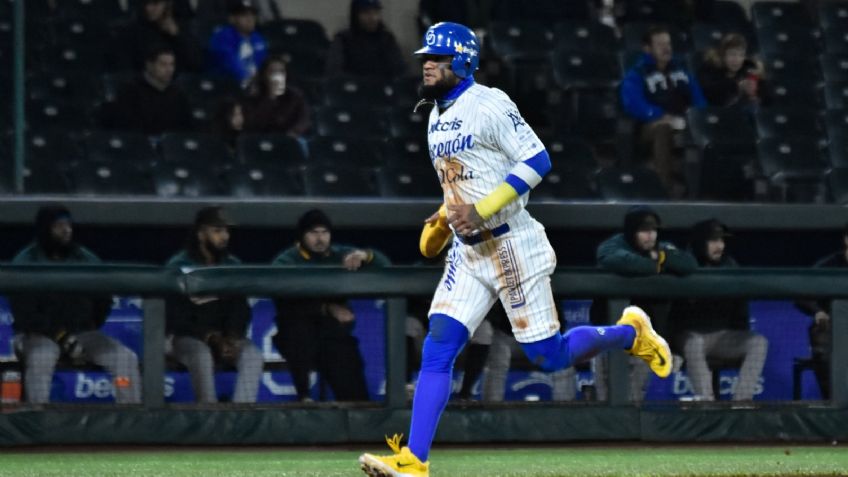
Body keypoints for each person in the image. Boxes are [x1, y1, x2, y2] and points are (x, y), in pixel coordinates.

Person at [358, 23, 673, 477]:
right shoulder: (434, 116)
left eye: (438, 57)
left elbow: (538, 159)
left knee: (549, 356)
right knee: (439, 346)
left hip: (510, 243)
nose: (426, 63)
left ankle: (630, 333)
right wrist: (445, 213)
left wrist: (481, 207)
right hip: (467, 252)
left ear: (463, 61)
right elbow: (467, 178)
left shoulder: (490, 102)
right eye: (426, 56)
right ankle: (414, 461)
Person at [9, 206, 141, 404]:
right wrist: (61, 336)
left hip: (82, 333)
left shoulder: (84, 258)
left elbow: (103, 298)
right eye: (59, 226)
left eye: (68, 225)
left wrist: (89, 326)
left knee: (124, 359)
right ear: (46, 229)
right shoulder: (27, 260)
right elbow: (25, 314)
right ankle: (38, 416)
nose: (66, 230)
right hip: (38, 335)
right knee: (41, 359)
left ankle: (129, 414)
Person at [271, 209, 390, 402]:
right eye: (313, 233)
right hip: (296, 334)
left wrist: (365, 255)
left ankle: (358, 413)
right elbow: (284, 301)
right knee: (300, 334)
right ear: (302, 236)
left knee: (346, 357)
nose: (320, 238)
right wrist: (326, 308)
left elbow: (384, 265)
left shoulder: (340, 254)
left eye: (324, 232)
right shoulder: (287, 260)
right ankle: (304, 398)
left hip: (332, 334)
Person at [592, 205, 697, 403]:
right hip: (608, 335)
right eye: (643, 231)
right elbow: (615, 259)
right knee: (604, 397)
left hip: (644, 337)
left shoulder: (662, 249)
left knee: (635, 398)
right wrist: (655, 265)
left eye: (653, 230)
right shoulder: (614, 245)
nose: (650, 236)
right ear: (632, 231)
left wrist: (663, 258)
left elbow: (689, 264)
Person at [165, 206, 263, 403]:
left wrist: (232, 337)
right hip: (186, 338)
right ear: (201, 234)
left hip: (226, 337)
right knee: (201, 355)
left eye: (226, 230)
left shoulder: (232, 264)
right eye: (217, 231)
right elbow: (175, 317)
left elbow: (241, 309)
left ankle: (239, 416)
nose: (224, 236)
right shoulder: (179, 265)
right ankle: (209, 415)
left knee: (252, 356)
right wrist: (210, 337)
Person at [669, 219, 768, 401]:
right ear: (701, 242)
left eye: (722, 241)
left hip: (722, 337)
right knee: (694, 343)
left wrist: (740, 329)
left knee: (758, 342)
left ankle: (741, 402)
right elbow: (669, 312)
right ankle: (707, 402)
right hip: (688, 337)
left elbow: (741, 306)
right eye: (713, 241)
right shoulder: (683, 264)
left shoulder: (729, 265)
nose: (719, 246)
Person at [620, 25, 707, 197]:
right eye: (660, 44)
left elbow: (699, 100)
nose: (666, 48)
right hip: (650, 125)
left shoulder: (682, 71)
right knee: (663, 129)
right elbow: (633, 104)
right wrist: (661, 115)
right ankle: (662, 189)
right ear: (647, 48)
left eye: (668, 44)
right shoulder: (637, 73)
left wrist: (695, 118)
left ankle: (701, 192)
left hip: (684, 123)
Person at [794, 223, 848, 399]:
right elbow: (800, 293)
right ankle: (834, 402)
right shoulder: (829, 265)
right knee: (821, 336)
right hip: (833, 329)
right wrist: (817, 311)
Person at [104, 45, 194, 135]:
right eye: (163, 64)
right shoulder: (130, 91)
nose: (169, 69)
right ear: (149, 65)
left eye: (172, 64)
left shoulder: (177, 94)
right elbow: (124, 126)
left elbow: (186, 127)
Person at [326, 0, 407, 79]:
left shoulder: (387, 39)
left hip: (384, 88)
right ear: (356, 15)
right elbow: (335, 72)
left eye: (376, 13)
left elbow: (400, 69)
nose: (373, 18)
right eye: (367, 13)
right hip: (353, 88)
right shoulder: (343, 39)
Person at [242, 56, 311, 142]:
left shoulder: (295, 95)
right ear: (264, 75)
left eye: (281, 72)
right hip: (260, 138)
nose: (277, 76)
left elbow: (304, 119)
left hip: (289, 137)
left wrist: (294, 133)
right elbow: (253, 123)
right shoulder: (254, 96)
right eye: (273, 72)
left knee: (302, 143)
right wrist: (270, 97)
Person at [124, 0, 203, 73]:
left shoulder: (181, 26)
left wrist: (177, 35)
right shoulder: (134, 30)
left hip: (177, 81)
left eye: (155, 3)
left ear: (167, 5)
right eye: (147, 3)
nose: (149, 8)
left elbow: (195, 63)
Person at [697, 33, 771, 109]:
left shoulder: (747, 70)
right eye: (732, 54)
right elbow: (711, 93)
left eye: (741, 55)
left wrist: (761, 79)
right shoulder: (709, 69)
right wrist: (737, 86)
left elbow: (766, 98)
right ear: (723, 55)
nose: (737, 59)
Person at [207, 0, 268, 87]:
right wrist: (251, 80)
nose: (249, 19)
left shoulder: (258, 38)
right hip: (227, 86)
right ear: (232, 19)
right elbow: (231, 63)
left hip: (254, 86)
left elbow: (264, 64)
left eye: (252, 15)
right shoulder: (222, 36)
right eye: (244, 15)